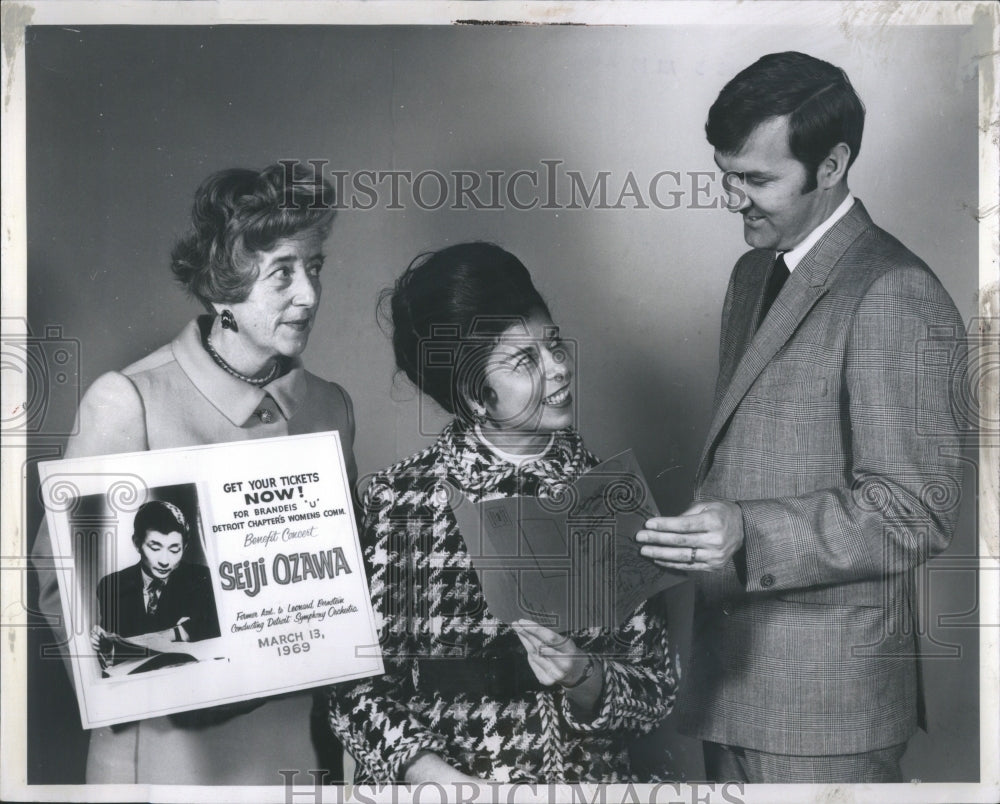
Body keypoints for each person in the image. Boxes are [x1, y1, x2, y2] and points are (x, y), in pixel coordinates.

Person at [636, 52, 965, 783]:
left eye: (756, 180)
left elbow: (916, 510)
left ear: (833, 164)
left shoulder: (895, 292)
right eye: (726, 174)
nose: (733, 198)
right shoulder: (753, 272)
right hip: (731, 687)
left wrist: (747, 530)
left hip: (828, 712)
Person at [31, 162, 356, 784]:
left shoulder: (330, 407)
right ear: (222, 286)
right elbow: (59, 586)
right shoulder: (129, 401)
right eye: (282, 272)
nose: (309, 295)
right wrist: (144, 684)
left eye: (314, 267)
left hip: (301, 752)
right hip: (170, 758)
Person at [328, 242, 675, 783]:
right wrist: (429, 775)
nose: (558, 369)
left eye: (554, 344)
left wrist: (583, 675)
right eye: (525, 361)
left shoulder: (609, 496)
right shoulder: (400, 501)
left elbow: (655, 694)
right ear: (473, 394)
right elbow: (351, 689)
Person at [91, 500, 220, 665]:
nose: (165, 561)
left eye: (174, 550)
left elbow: (214, 627)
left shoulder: (201, 578)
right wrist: (105, 646)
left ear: (184, 547)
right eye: (155, 548)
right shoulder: (111, 586)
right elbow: (115, 649)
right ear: (137, 544)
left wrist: (172, 634)